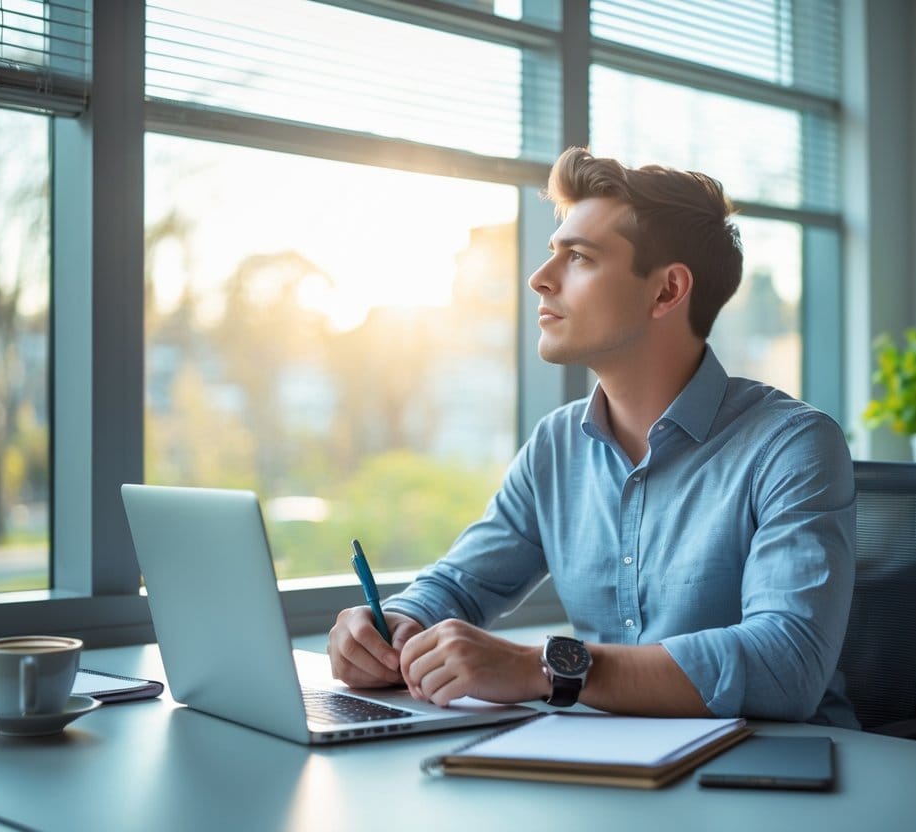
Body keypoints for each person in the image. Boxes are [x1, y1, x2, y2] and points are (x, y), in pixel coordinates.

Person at [328, 147, 857, 726]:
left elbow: (786, 667)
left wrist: (545, 669)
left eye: (578, 257)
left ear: (666, 291)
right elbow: (460, 583)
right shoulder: (556, 445)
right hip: (612, 772)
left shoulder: (793, 445)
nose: (539, 278)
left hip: (771, 785)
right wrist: (393, 624)